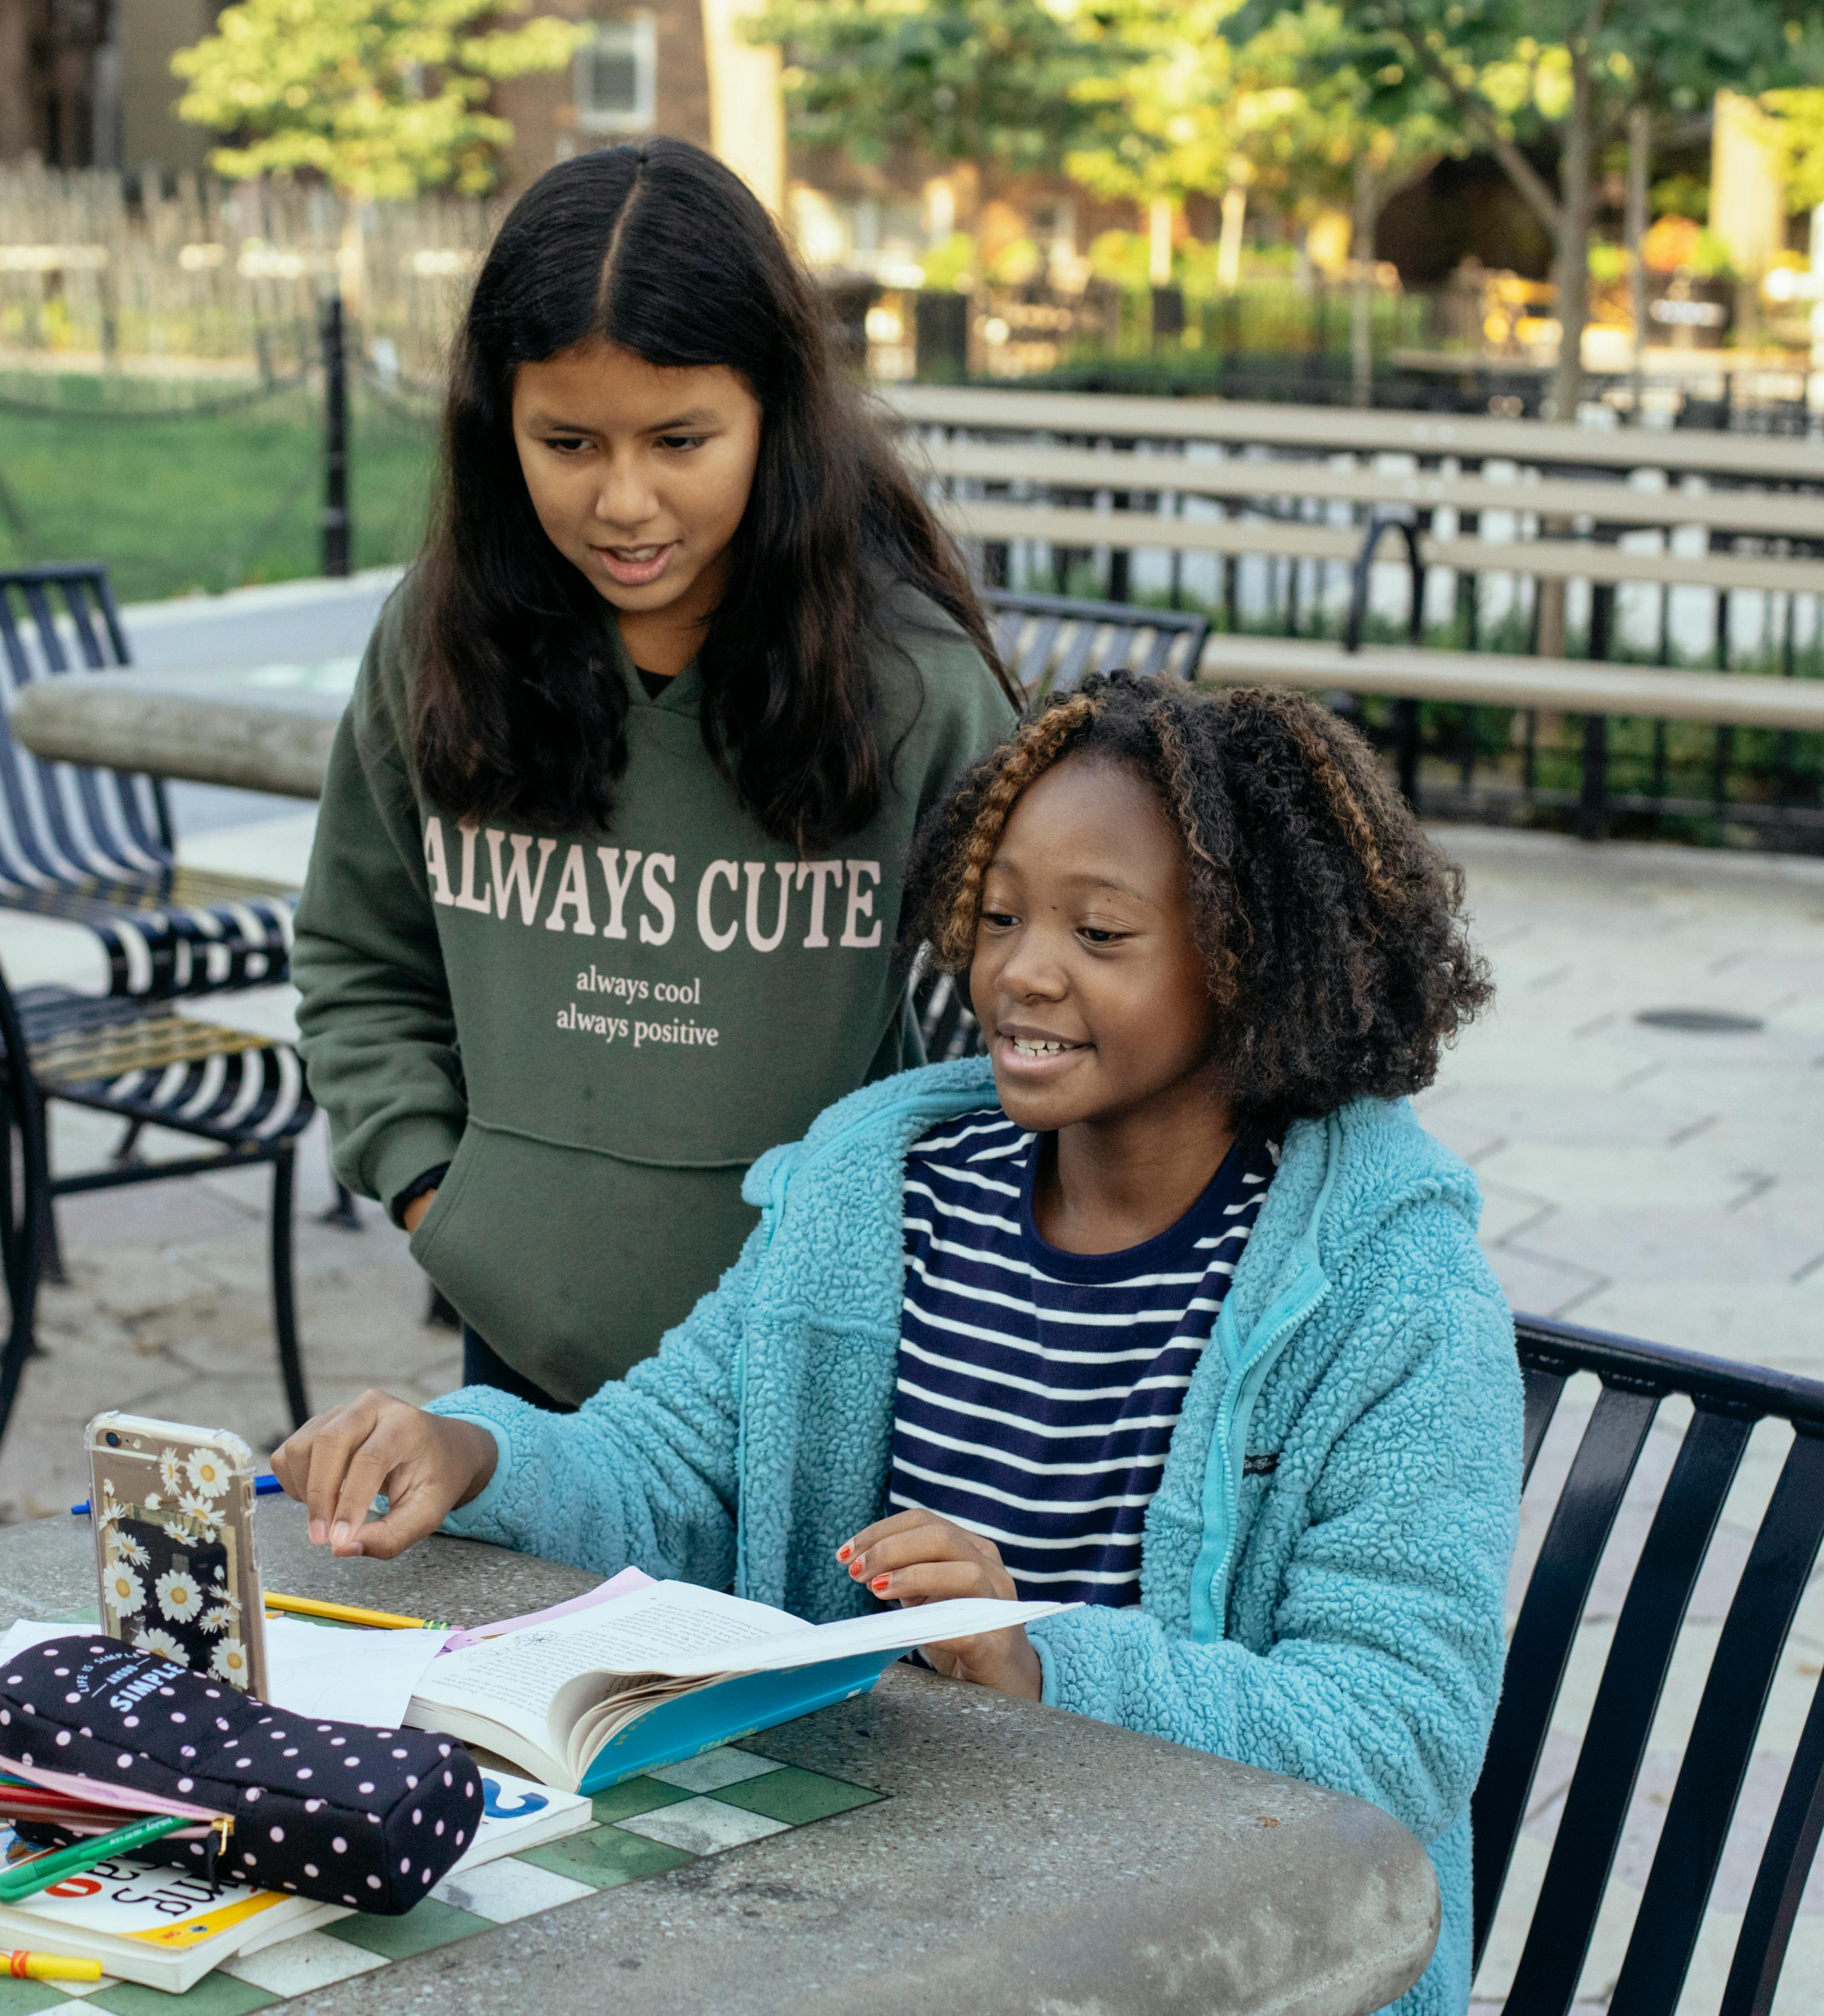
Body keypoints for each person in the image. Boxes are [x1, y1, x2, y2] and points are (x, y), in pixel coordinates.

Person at [276, 677, 1521, 2016]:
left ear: (1254, 957)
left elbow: (1394, 1730)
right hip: (859, 1900)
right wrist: (473, 1449)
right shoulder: (885, 1186)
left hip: (1211, 1951)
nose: (1019, 969)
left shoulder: (1386, 1289)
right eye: (996, 917)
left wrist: (1030, 1655)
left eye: (1097, 930)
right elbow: (677, 1464)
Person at [294, 138, 1022, 1410]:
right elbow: (359, 955)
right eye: (566, 442)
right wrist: (435, 1192)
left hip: (820, 1363)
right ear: (495, 423)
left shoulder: (912, 684)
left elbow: (1053, 1004)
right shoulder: (434, 642)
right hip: (515, 1356)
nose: (623, 500)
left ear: (773, 415)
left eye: (679, 438)